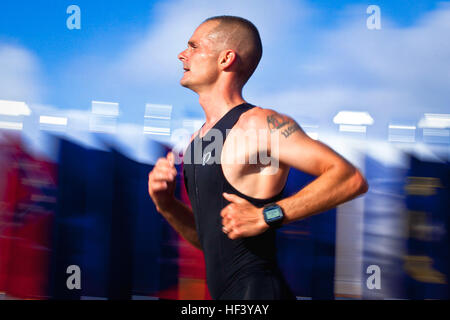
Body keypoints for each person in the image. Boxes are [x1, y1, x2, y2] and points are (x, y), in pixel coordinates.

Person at [148, 16, 369, 300]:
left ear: (226, 58)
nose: (182, 54)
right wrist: (166, 204)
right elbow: (210, 241)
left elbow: (349, 178)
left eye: (194, 46)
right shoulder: (197, 141)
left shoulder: (260, 125)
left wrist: (268, 215)